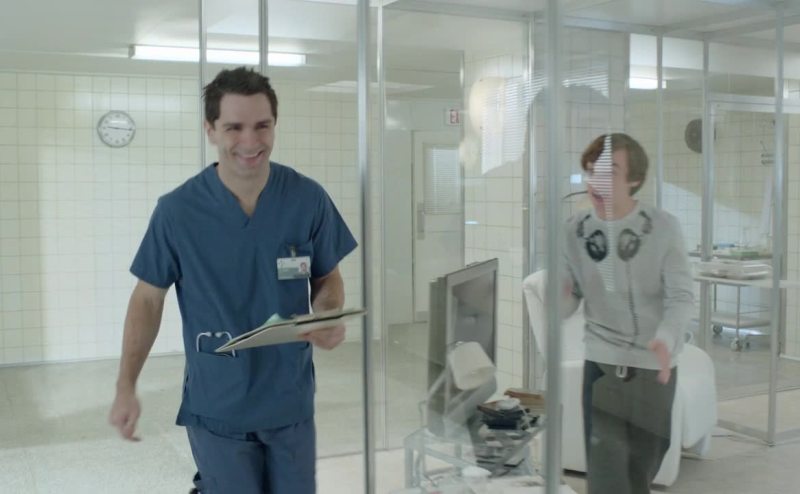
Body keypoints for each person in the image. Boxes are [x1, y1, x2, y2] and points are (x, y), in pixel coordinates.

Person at [108, 66, 358, 494]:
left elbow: (327, 278)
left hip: (290, 401)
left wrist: (327, 313)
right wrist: (125, 386)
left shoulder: (307, 198)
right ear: (210, 130)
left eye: (262, 125)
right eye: (234, 127)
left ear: (275, 125)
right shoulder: (178, 211)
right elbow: (147, 299)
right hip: (219, 403)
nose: (250, 140)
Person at [561, 133, 693, 494]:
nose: (596, 182)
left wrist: (666, 337)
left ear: (634, 179)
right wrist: (559, 297)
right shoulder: (575, 231)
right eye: (592, 172)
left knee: (640, 474)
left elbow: (681, 296)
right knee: (607, 476)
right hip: (602, 366)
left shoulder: (663, 227)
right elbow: (569, 302)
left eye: (610, 172)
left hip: (654, 368)